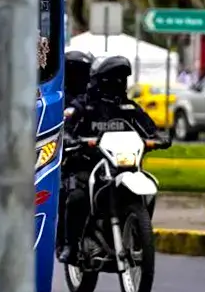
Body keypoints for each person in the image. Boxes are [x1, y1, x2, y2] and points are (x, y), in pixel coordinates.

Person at [58, 54, 160, 263]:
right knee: (77, 197)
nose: (116, 83)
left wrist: (157, 139)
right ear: (97, 80)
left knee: (151, 185)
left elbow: (151, 130)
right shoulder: (83, 107)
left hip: (124, 168)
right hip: (89, 165)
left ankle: (138, 233)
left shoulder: (129, 108)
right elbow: (66, 129)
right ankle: (71, 245)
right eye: (110, 78)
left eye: (120, 78)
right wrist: (71, 138)